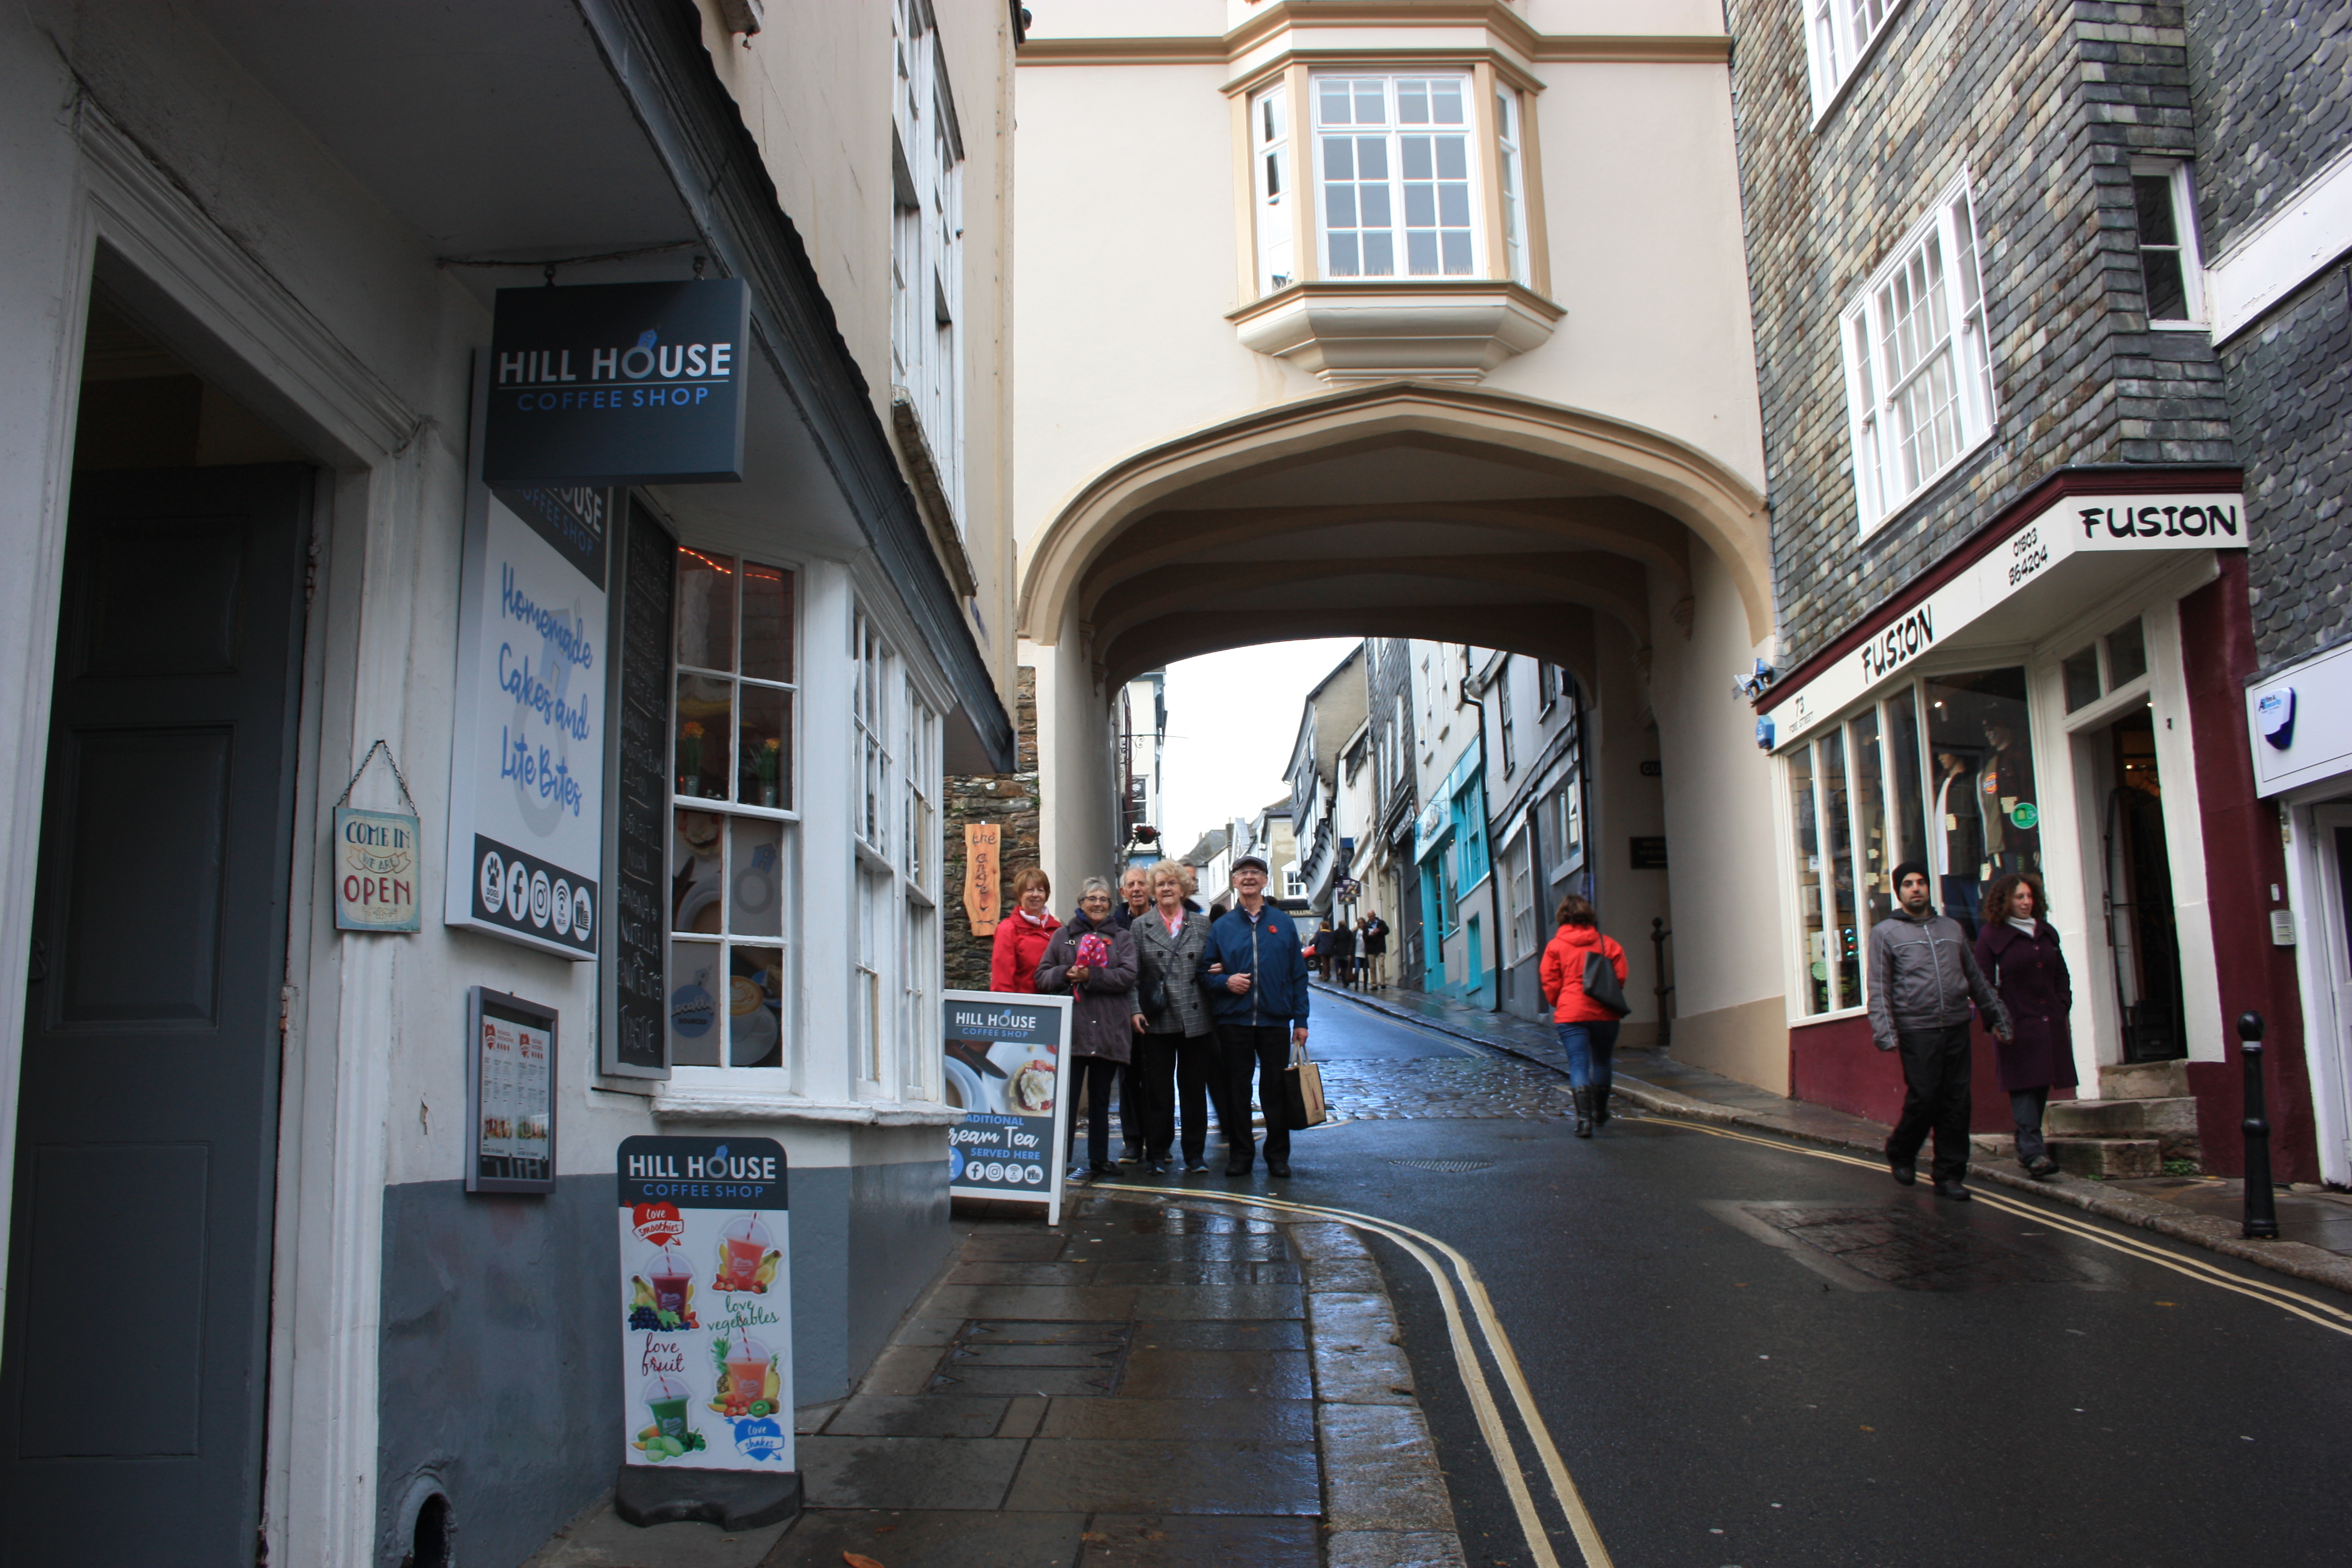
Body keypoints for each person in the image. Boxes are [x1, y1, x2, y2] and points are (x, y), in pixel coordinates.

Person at [1868, 861, 2013, 1200]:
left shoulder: (1952, 928)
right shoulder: (1886, 933)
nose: (1916, 889)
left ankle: (1949, 1175)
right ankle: (1902, 1150)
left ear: (1928, 887)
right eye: (1908, 884)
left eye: (1921, 882)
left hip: (1957, 1025)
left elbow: (1975, 977)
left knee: (1957, 1102)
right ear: (1899, 892)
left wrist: (1998, 1016)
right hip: (1917, 1029)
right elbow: (1879, 986)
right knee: (1925, 1097)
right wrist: (1885, 1031)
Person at [1197, 854, 1310, 1178]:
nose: (1249, 877)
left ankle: (1277, 1156)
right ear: (1234, 881)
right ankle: (1241, 1156)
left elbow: (1298, 975)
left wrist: (1301, 1021)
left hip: (1275, 1020)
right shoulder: (1222, 927)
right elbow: (1203, 974)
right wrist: (1226, 982)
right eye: (1242, 873)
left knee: (1275, 1090)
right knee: (1237, 1091)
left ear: (1264, 881)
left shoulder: (1283, 923)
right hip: (1234, 1021)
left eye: (1256, 872)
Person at [1036, 877, 1140, 1180]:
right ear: (1081, 903)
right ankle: (1062, 1159)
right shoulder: (1063, 936)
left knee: (1100, 1100)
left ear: (1110, 904)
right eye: (1092, 898)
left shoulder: (1122, 938)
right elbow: (1042, 976)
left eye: (1103, 899)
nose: (1098, 904)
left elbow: (1128, 976)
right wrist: (1066, 973)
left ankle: (1099, 1159)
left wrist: (1091, 976)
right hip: (1072, 1030)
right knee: (1066, 1099)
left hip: (1108, 1029)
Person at [1975, 872, 2072, 1179]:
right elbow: (1982, 982)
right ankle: (2033, 1153)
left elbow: (2061, 974)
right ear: (2006, 901)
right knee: (2022, 1085)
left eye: (2030, 896)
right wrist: (1995, 1019)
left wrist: (2063, 1004)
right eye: (2020, 897)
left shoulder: (2046, 933)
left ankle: (2027, 1144)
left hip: (2048, 1021)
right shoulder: (1991, 936)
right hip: (2014, 1022)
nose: (2026, 902)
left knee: (2041, 1082)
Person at [1128, 863, 1220, 1173]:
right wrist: (1135, 1010)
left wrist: (1219, 969)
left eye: (1172, 883)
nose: (1166, 889)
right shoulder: (1140, 927)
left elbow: (1212, 966)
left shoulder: (1203, 924)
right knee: (1158, 1091)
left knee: (1194, 1091)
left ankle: (1195, 1155)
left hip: (1197, 1018)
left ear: (1183, 888)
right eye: (1160, 884)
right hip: (1158, 1019)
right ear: (1153, 891)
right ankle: (1157, 1153)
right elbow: (1133, 977)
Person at [1538, 895, 1629, 1138]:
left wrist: (1561, 1001)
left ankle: (1584, 1121)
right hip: (1605, 1012)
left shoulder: (1555, 947)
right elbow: (1620, 977)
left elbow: (1550, 981)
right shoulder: (1608, 944)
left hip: (1571, 1014)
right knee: (1602, 1061)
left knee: (1578, 1063)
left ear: (1562, 917)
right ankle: (1600, 1113)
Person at [989, 865, 1058, 994]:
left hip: (1054, 1002)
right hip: (1024, 1003)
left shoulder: (1058, 930)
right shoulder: (1007, 929)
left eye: (1040, 890)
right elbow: (1002, 979)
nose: (1035, 895)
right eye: (1030, 890)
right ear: (1020, 895)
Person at [1324, 916, 1357, 990]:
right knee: (1346, 967)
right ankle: (1346, 981)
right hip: (1347, 952)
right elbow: (1352, 943)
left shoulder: (1336, 933)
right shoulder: (1349, 932)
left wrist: (1332, 953)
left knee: (1342, 967)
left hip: (1338, 953)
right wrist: (1351, 952)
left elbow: (1332, 943)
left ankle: (1344, 981)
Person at [1359, 911, 1390, 988]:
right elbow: (1364, 937)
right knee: (1372, 967)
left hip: (1380, 947)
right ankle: (1374, 984)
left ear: (1375, 916)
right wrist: (1370, 936)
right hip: (1371, 949)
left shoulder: (1381, 923)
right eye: (1370, 916)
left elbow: (1387, 931)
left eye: (1372, 916)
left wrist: (1379, 930)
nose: (1371, 918)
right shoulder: (1366, 926)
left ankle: (1383, 982)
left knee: (1381, 965)